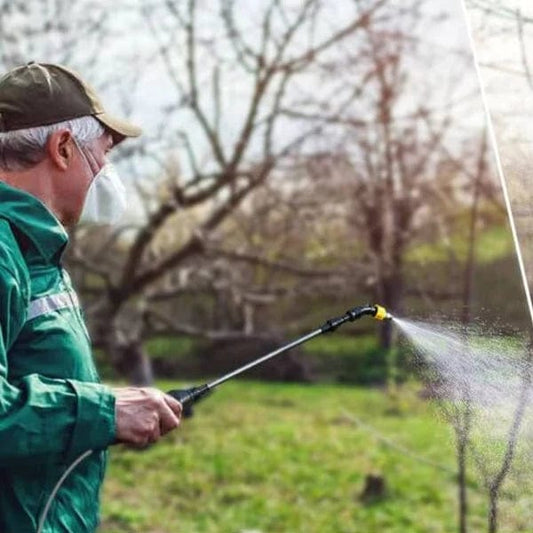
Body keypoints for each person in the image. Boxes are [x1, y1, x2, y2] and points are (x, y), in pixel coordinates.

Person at [0, 62, 183, 533]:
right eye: (103, 153)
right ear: (62, 147)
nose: (106, 172)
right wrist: (106, 412)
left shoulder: (33, 250)